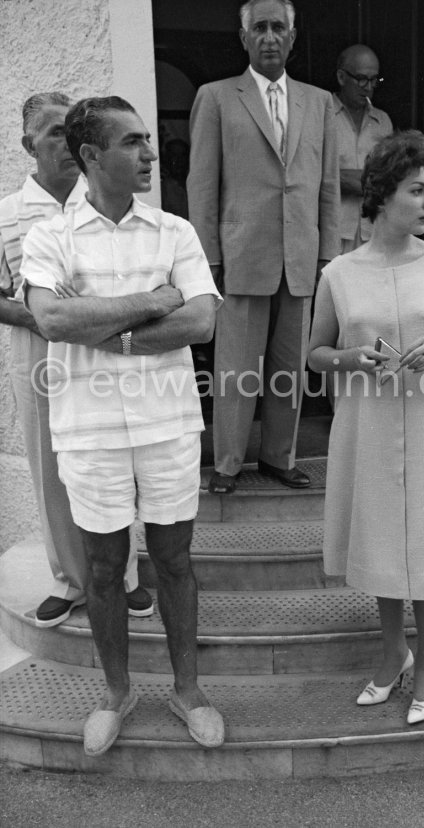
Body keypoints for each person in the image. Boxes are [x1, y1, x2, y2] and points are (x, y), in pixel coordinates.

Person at [22, 96, 224, 755]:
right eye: (133, 142)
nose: (149, 153)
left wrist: (107, 326)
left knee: (174, 560)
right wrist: (152, 301)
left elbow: (200, 323)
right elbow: (51, 321)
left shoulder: (174, 231)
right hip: (88, 428)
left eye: (147, 141)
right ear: (90, 157)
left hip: (168, 422)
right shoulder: (51, 236)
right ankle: (117, 693)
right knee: (105, 569)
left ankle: (188, 690)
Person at [308, 130, 424, 725]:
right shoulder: (338, 272)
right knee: (383, 538)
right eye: (418, 190)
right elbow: (315, 353)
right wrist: (348, 357)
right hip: (367, 422)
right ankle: (394, 652)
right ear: (383, 194)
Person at [0, 92, 152, 627]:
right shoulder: (7, 216)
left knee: (113, 459)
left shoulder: (104, 206)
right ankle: (70, 580)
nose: (67, 143)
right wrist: (42, 315)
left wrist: (89, 317)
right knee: (51, 469)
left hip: (105, 353)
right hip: (39, 354)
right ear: (28, 146)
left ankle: (125, 576)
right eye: (53, 134)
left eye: (72, 132)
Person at [187, 0, 340, 495]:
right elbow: (201, 185)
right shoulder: (216, 97)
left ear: (293, 38)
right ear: (244, 37)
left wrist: (327, 256)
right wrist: (208, 258)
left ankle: (280, 457)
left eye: (279, 28)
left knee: (289, 366)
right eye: (260, 28)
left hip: (300, 256)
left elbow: (329, 187)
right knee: (235, 368)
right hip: (239, 256)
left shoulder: (318, 103)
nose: (270, 36)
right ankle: (228, 464)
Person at [334, 44, 392, 253]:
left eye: (374, 80)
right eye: (361, 79)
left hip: (373, 231)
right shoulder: (322, 115)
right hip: (333, 233)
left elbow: (390, 178)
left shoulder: (383, 121)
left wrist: (342, 177)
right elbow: (314, 174)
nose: (368, 87)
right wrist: (369, 181)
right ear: (341, 77)